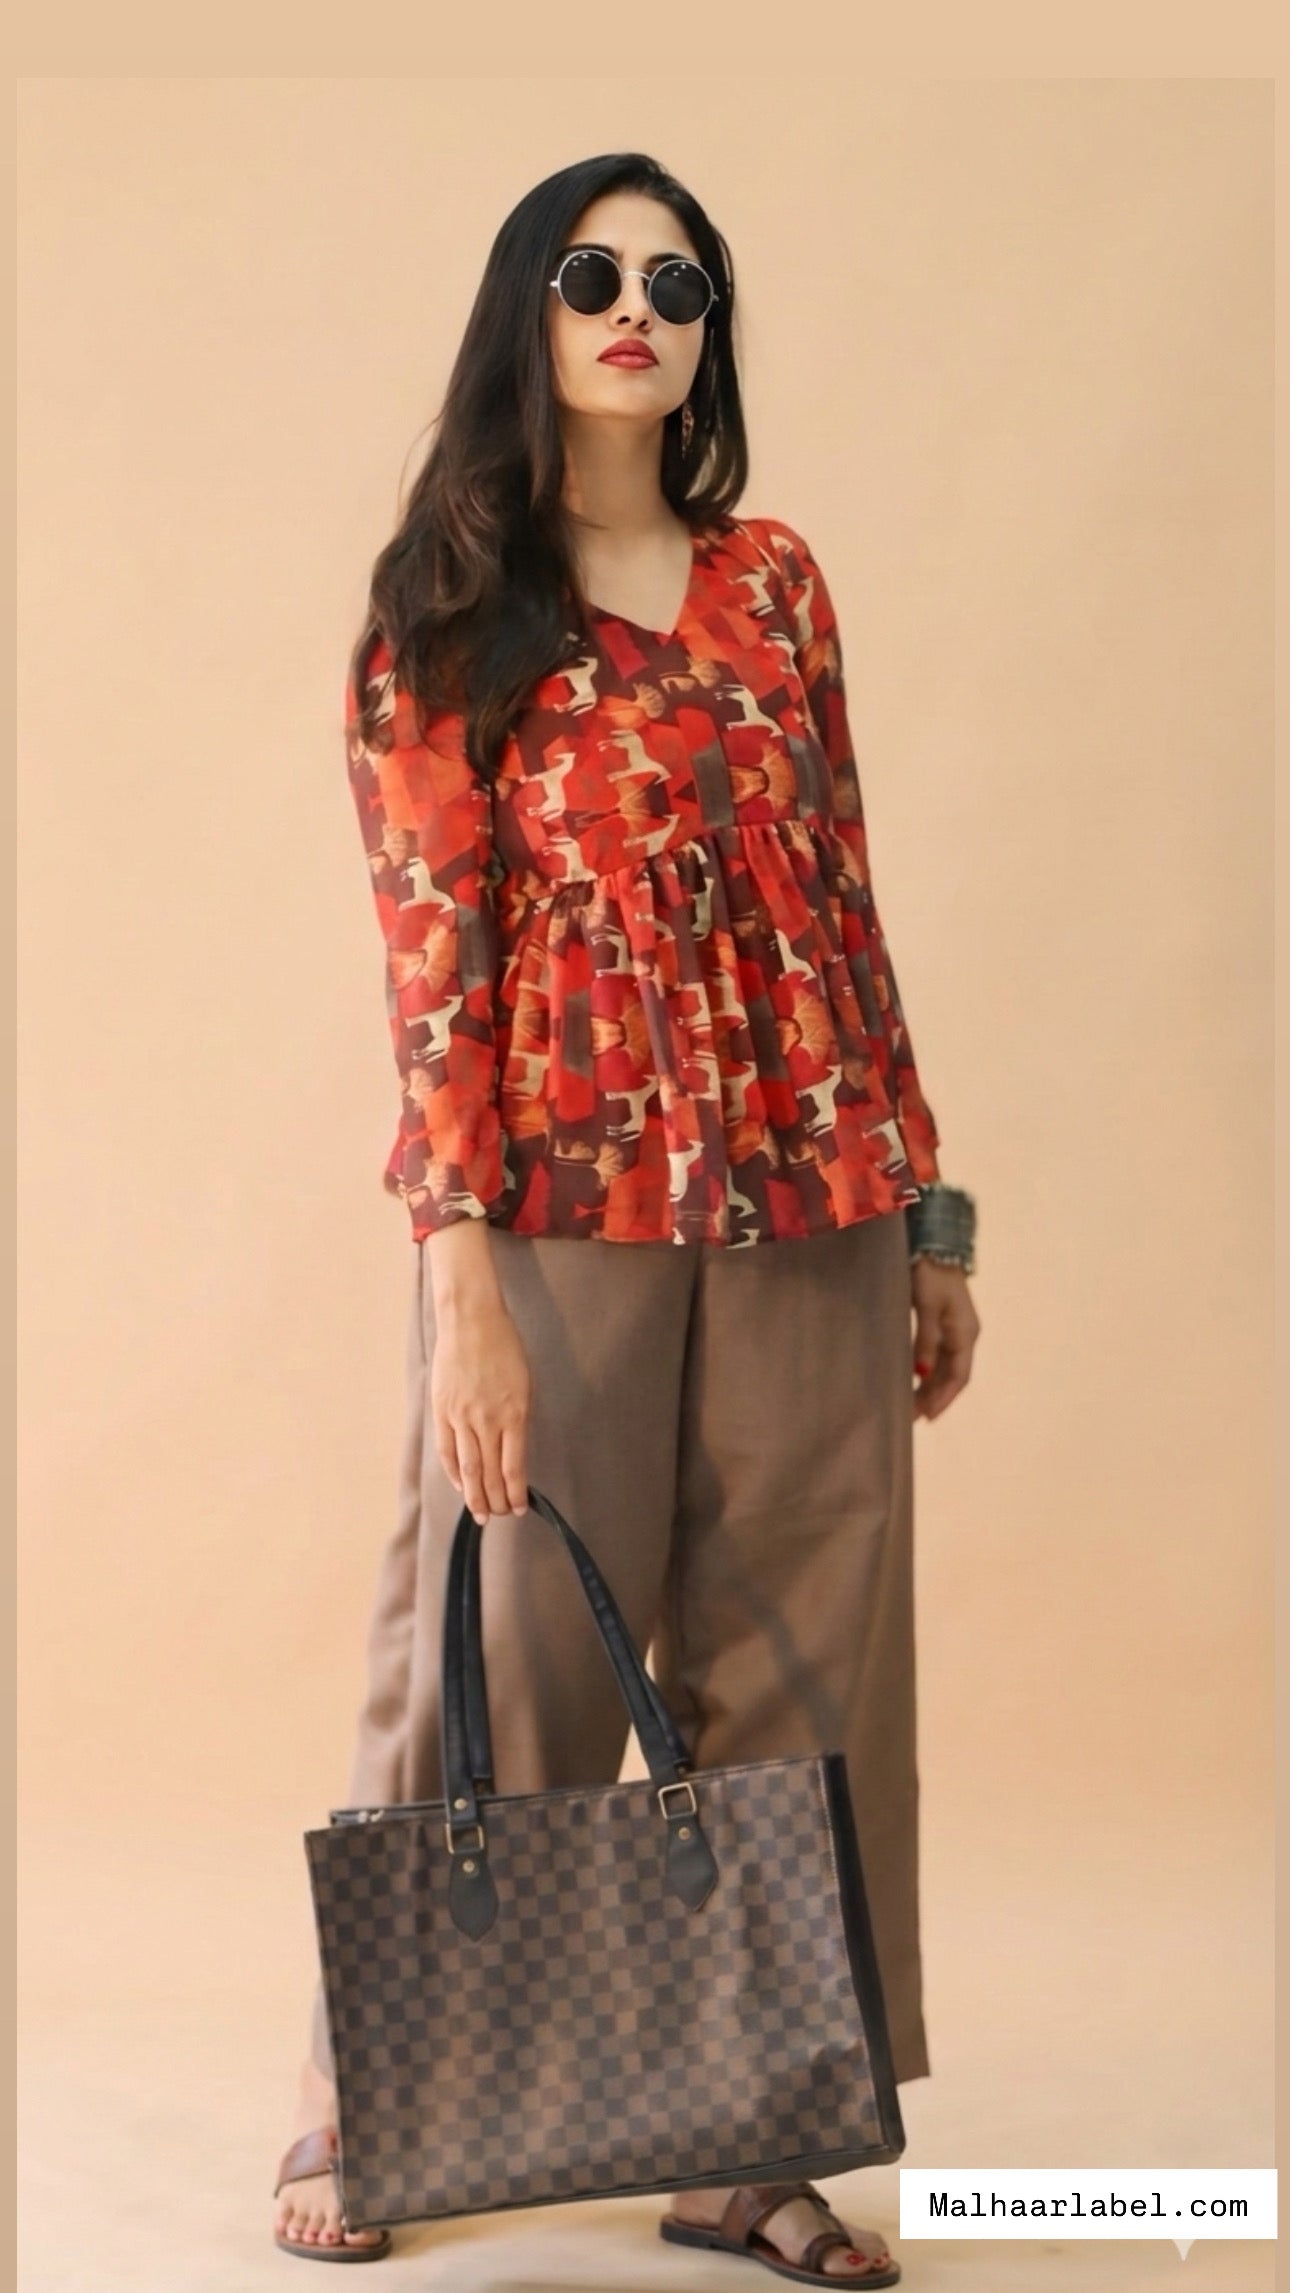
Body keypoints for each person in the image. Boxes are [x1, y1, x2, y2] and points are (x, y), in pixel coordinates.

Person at [271, 151, 980, 2282]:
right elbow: (434, 962)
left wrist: (929, 1210)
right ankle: (374, 2092)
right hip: (560, 1199)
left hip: (810, 1192)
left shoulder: (778, 584)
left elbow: (842, 897)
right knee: (504, 1637)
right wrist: (460, 1283)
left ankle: (746, 2146)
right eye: (595, 274)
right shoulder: (444, 606)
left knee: (799, 1657)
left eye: (679, 285)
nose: (636, 312)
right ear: (531, 308)